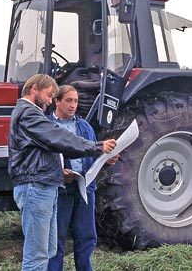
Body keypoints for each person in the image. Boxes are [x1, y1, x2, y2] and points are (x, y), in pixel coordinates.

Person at [9, 74, 116, 271]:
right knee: (37, 256)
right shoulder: (28, 113)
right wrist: (97, 146)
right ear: (34, 89)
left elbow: (50, 146)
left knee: (48, 251)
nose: (50, 101)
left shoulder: (34, 114)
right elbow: (57, 137)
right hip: (36, 187)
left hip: (45, 186)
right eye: (49, 96)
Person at [47, 85, 118, 271]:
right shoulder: (47, 126)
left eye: (76, 101)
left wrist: (107, 159)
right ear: (57, 101)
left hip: (85, 188)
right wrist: (59, 172)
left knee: (87, 236)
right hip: (61, 190)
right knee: (56, 237)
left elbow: (93, 152)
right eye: (68, 100)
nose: (73, 105)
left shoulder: (84, 126)